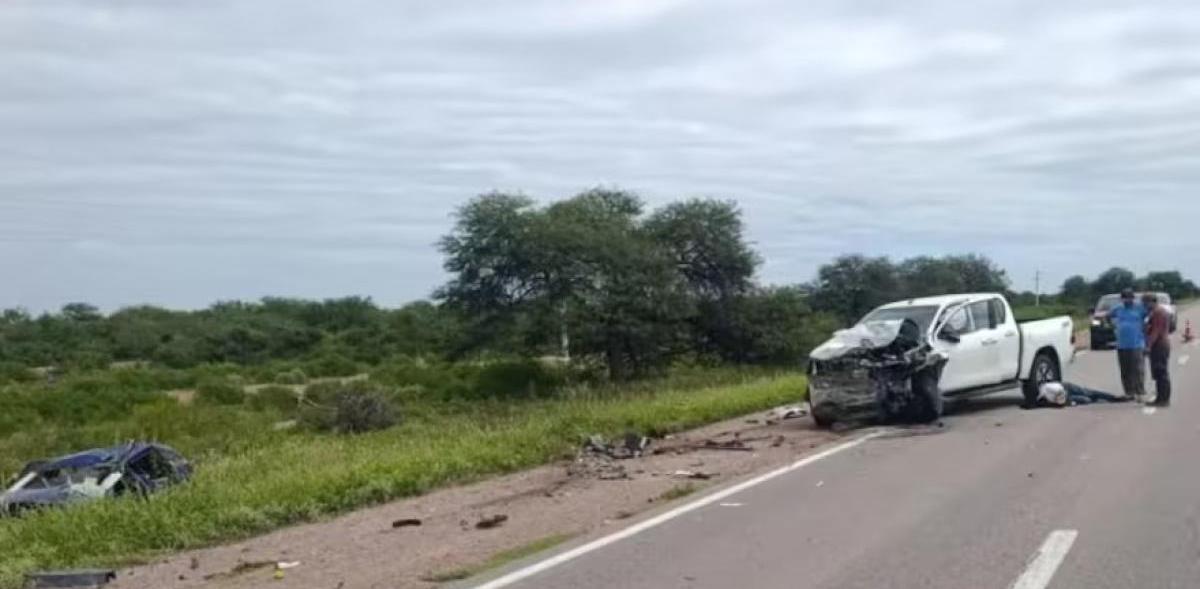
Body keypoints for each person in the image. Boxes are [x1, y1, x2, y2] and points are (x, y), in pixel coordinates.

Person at [1109, 289, 1147, 401]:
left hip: (1136, 343)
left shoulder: (1140, 308)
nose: (1126, 300)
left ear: (1133, 298)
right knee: (1125, 370)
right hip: (1122, 344)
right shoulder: (1118, 309)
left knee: (1137, 369)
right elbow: (1108, 316)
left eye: (1128, 298)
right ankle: (1129, 392)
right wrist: (1113, 326)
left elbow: (1150, 316)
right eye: (1124, 298)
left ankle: (1139, 392)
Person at [1144, 293, 1172, 407]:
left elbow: (1156, 331)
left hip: (1159, 345)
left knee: (1161, 373)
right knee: (1158, 373)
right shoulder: (1157, 311)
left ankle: (1163, 399)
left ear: (1152, 302)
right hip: (1159, 344)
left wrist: (1148, 346)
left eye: (1146, 302)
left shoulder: (1158, 312)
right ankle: (1160, 398)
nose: (1145, 305)